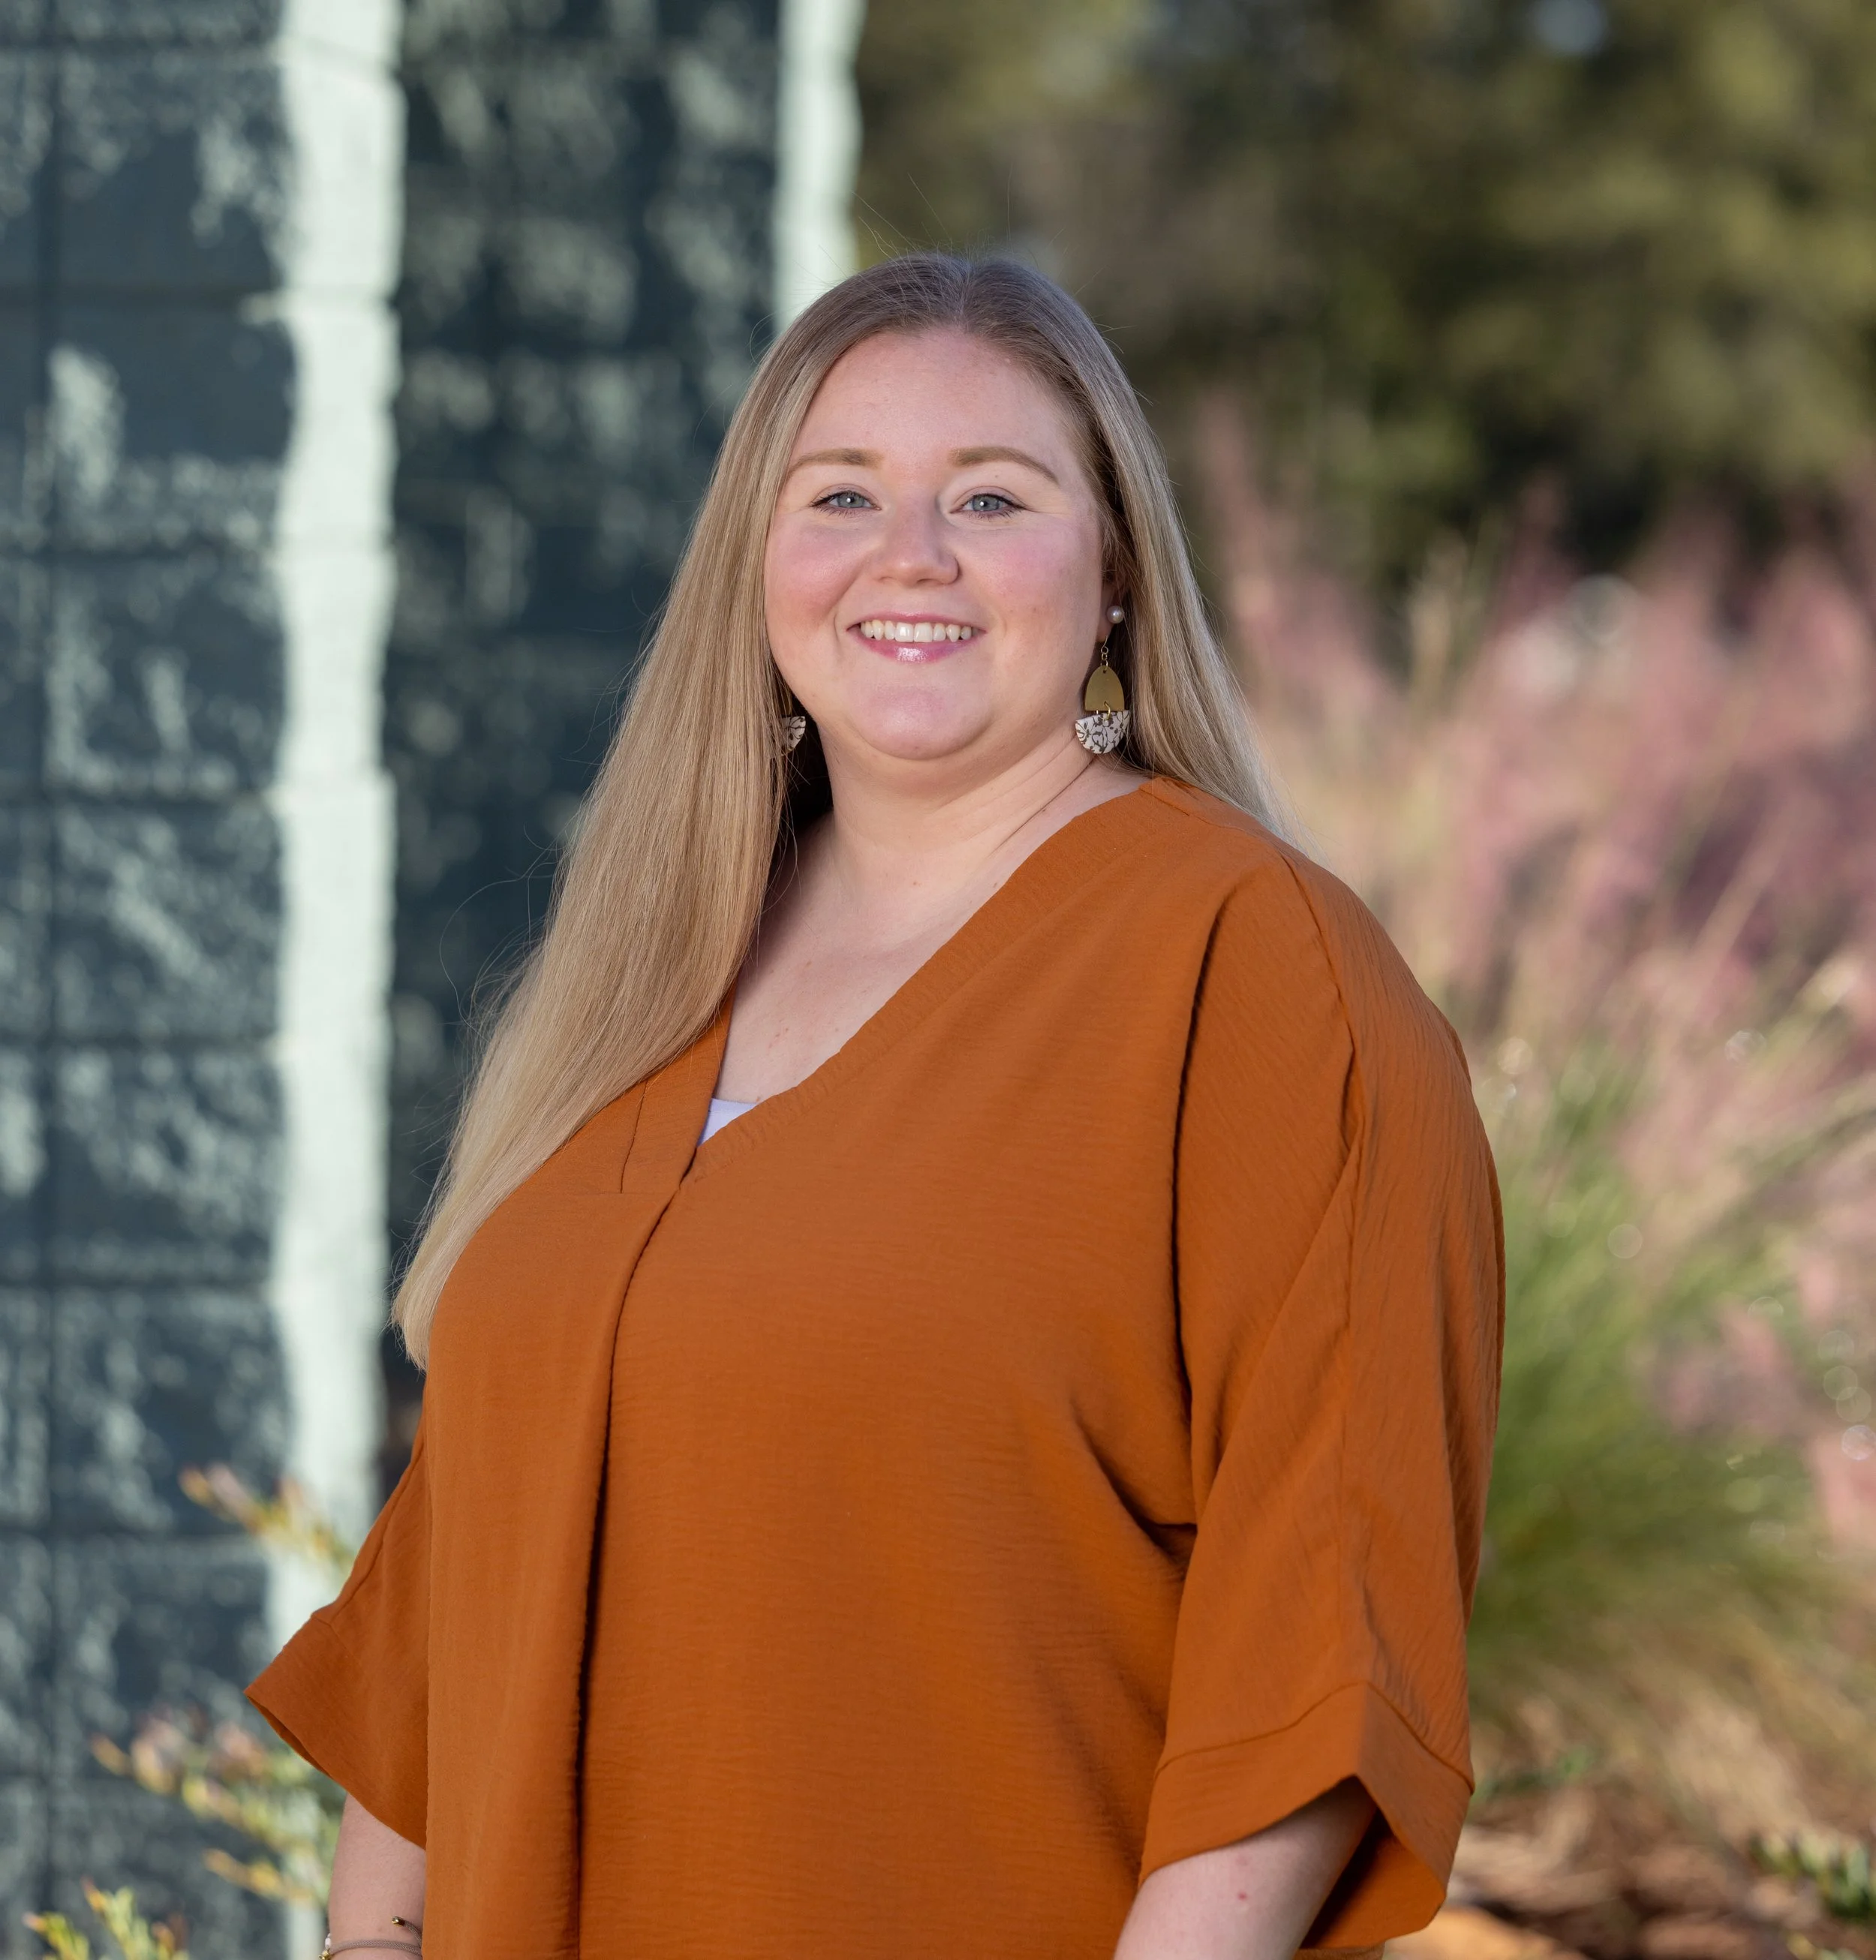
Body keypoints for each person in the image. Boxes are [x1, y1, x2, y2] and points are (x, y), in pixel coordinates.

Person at [249, 253, 1502, 1960]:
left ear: (1115, 566)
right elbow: (456, 1567)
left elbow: (1320, 1619)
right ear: (757, 564)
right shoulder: (652, 965)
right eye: (840, 494)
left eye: (989, 496)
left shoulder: (1254, 977)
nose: (909, 555)